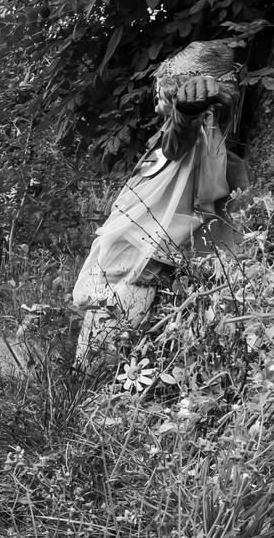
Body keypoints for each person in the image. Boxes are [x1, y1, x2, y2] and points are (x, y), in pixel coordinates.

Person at [71, 40, 247, 354]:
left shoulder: (197, 137)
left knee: (108, 344)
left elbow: (179, 138)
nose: (155, 90)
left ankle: (94, 390)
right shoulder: (177, 137)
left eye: (162, 85)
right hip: (130, 252)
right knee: (105, 334)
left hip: (144, 259)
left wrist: (186, 113)